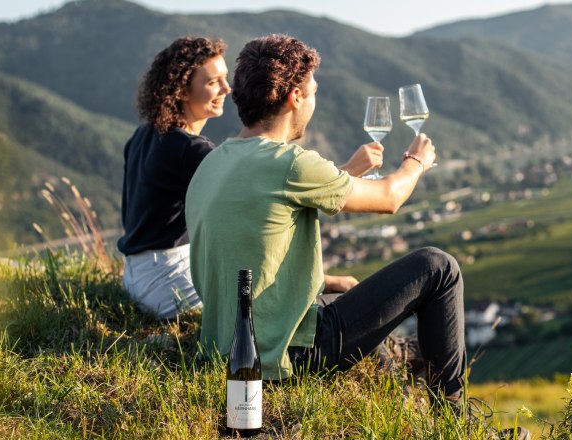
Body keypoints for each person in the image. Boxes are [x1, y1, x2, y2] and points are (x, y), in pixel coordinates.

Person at [186, 35, 529, 437]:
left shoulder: (213, 163)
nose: (315, 102)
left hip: (226, 352)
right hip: (287, 357)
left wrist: (346, 176)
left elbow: (261, 231)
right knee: (438, 267)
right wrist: (416, 162)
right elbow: (389, 197)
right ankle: (460, 428)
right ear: (295, 97)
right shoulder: (289, 163)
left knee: (347, 291)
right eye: (313, 92)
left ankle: (396, 379)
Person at [117, 36, 231, 319]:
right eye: (213, 82)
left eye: (225, 78)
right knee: (255, 294)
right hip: (166, 281)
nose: (226, 89)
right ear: (181, 91)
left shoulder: (144, 134)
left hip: (135, 275)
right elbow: (248, 191)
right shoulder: (189, 149)